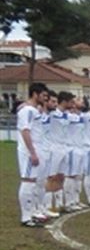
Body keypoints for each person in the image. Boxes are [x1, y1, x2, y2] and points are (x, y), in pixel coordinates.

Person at [15, 83, 48, 227]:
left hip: (36, 149)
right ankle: (26, 217)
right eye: (43, 95)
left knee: (33, 181)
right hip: (29, 151)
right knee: (27, 181)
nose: (45, 98)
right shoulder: (27, 110)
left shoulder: (34, 110)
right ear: (35, 94)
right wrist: (32, 152)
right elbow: (25, 131)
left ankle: (32, 212)